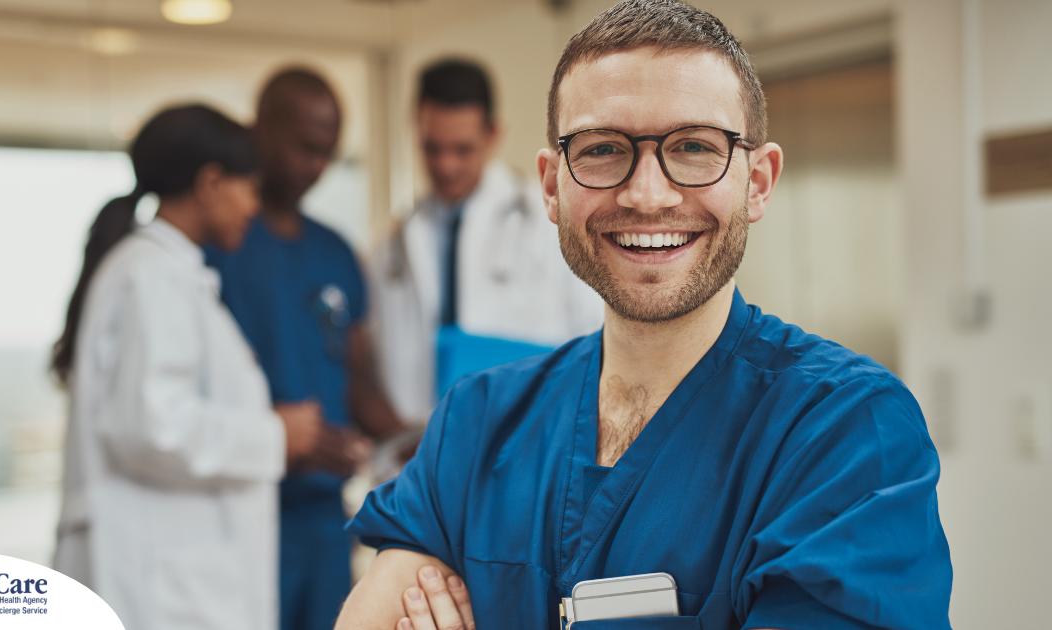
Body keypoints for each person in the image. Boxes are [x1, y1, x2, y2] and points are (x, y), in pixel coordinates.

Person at [337, 2, 954, 629]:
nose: (646, 194)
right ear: (552, 186)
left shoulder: (845, 433)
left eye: (693, 147)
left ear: (758, 181)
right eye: (603, 149)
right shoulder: (477, 423)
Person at [50, 104, 323, 630]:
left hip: (170, 576)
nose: (253, 207)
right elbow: (151, 426)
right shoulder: (152, 276)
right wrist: (274, 435)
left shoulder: (167, 273)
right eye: (248, 189)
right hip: (157, 585)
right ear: (211, 182)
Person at [205, 69, 409, 630]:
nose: (316, 167)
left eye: (328, 154)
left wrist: (415, 438)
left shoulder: (336, 254)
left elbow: (357, 377)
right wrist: (276, 434)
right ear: (261, 129)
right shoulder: (216, 246)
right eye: (305, 148)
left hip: (323, 519)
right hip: (236, 509)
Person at [372, 59, 603, 424]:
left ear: (493, 134)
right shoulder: (395, 244)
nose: (446, 165)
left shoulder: (548, 221)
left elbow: (596, 338)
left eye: (462, 149)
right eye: (433, 148)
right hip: (422, 449)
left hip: (529, 436)